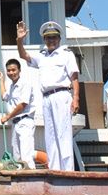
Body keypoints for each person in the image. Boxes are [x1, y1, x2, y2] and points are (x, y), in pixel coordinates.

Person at [16, 20, 80, 171]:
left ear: (59, 38)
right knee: (50, 135)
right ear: (44, 39)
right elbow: (24, 55)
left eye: (54, 37)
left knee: (63, 134)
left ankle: (68, 170)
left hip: (61, 95)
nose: (51, 40)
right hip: (46, 98)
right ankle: (55, 169)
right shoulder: (42, 56)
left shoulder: (66, 54)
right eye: (48, 38)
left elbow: (74, 77)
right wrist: (19, 40)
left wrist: (76, 98)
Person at [0, 58, 36, 169]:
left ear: (19, 70)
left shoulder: (25, 84)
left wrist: (7, 117)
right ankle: (20, 177)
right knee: (16, 156)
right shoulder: (12, 86)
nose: (11, 73)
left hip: (25, 122)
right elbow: (4, 96)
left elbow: (22, 105)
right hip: (16, 123)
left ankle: (31, 176)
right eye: (9, 70)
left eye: (14, 70)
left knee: (26, 156)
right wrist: (1, 80)